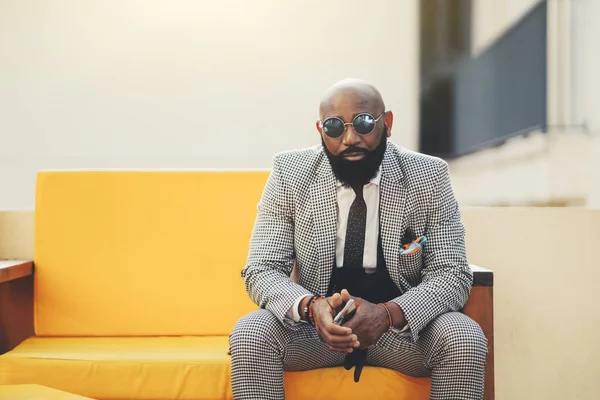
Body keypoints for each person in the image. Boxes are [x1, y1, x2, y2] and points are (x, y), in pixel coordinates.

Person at [229, 78, 487, 400]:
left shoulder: (428, 176)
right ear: (321, 130)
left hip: (399, 331)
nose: (350, 138)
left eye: (364, 123)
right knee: (251, 333)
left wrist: (389, 313)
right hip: (317, 330)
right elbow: (261, 268)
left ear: (387, 123)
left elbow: (452, 273)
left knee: (464, 337)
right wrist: (312, 309)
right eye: (335, 127)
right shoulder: (290, 173)